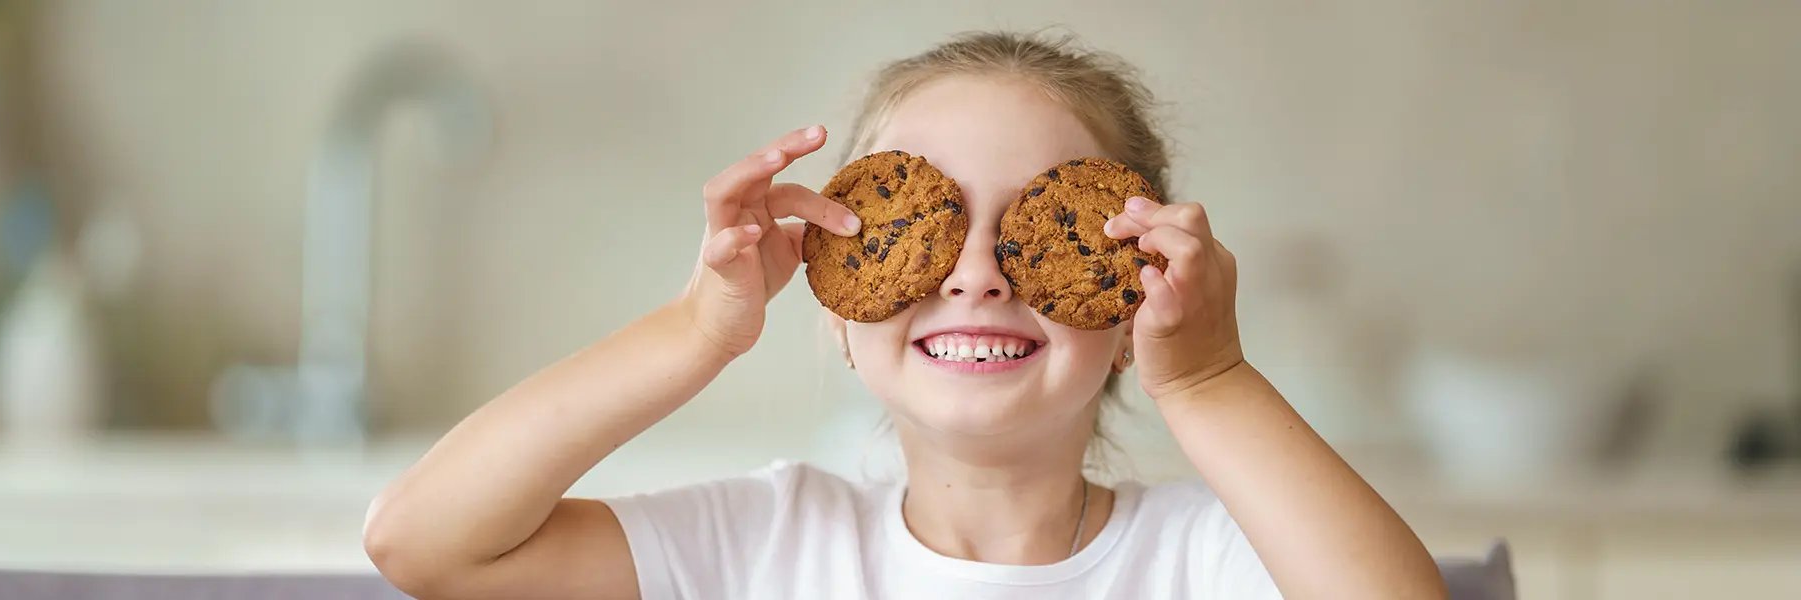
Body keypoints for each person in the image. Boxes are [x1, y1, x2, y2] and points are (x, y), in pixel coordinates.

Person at [363, 31, 1447, 599]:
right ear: (839, 297)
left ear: (1127, 300)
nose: (975, 273)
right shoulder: (766, 547)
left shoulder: (1204, 561)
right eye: (919, 232)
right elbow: (425, 545)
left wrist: (1210, 380)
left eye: (1034, 229)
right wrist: (698, 331)